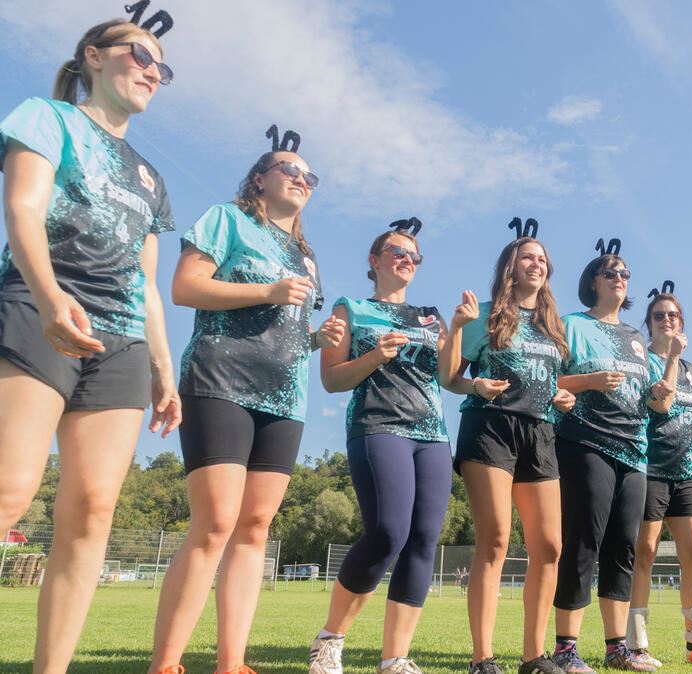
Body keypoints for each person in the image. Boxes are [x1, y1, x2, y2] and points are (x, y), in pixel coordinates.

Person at [0, 15, 181, 672]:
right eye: (141, 55)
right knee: (11, 490)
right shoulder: (49, 118)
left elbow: (148, 283)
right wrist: (50, 299)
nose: (152, 71)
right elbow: (21, 208)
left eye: (162, 66)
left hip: (123, 343)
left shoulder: (152, 178)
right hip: (40, 305)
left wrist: (164, 368)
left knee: (92, 512)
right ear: (94, 57)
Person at [149, 131, 344, 674]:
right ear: (259, 178)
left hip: (285, 395)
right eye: (289, 169)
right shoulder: (227, 220)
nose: (301, 180)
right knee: (214, 523)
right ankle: (165, 663)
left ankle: (231, 663)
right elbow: (185, 286)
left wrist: (317, 341)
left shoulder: (306, 256)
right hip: (220, 379)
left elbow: (286, 329)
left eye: (309, 176)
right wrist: (268, 291)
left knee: (255, 527)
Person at [307, 221, 464, 674]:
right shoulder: (349, 307)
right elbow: (332, 380)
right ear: (374, 261)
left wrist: (455, 330)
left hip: (432, 435)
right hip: (378, 426)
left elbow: (448, 379)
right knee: (388, 532)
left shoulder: (429, 316)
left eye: (414, 256)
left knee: (422, 540)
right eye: (397, 251)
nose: (406, 259)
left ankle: (395, 658)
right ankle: (329, 640)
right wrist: (375, 355)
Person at [441, 228, 576, 674]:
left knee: (551, 547)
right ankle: (483, 659)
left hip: (540, 435)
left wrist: (561, 395)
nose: (536, 264)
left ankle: (534, 657)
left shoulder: (553, 326)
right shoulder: (482, 316)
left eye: (541, 259)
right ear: (509, 268)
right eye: (527, 258)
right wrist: (473, 379)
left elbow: (545, 381)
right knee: (496, 540)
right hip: (489, 429)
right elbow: (449, 378)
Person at [550, 246, 676, 674]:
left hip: (634, 450)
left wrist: (655, 394)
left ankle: (617, 648)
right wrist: (590, 381)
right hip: (585, 443)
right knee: (584, 539)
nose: (619, 277)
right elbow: (546, 379)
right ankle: (566, 648)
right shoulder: (571, 325)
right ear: (591, 282)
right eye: (609, 272)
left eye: (624, 272)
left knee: (623, 546)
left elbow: (648, 398)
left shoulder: (637, 339)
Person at [626, 289, 692, 667]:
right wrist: (672, 356)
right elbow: (664, 402)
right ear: (649, 323)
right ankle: (636, 646)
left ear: (681, 322)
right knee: (646, 554)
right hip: (651, 471)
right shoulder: (641, 363)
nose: (667, 320)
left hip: (688, 475)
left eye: (673, 315)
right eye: (659, 316)